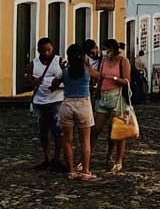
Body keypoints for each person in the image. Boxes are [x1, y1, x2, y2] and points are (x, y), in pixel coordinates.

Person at [60, 44, 100, 181]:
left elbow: (54, 85)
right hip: (83, 104)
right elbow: (100, 76)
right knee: (85, 141)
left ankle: (71, 171)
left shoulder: (65, 71)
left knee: (67, 141)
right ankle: (86, 171)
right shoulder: (87, 70)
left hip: (67, 104)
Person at [26, 37, 66, 171]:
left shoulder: (59, 61)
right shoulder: (33, 64)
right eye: (43, 51)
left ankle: (57, 158)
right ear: (38, 51)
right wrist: (34, 82)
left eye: (49, 50)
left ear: (52, 48)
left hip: (56, 100)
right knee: (43, 132)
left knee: (57, 131)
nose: (47, 53)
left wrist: (58, 85)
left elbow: (67, 77)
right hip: (40, 101)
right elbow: (28, 81)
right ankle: (46, 158)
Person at [96, 39, 133, 172]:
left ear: (113, 49)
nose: (104, 52)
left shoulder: (123, 61)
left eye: (106, 49)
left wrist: (114, 78)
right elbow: (100, 77)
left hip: (117, 98)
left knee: (117, 131)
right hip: (103, 97)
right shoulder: (104, 60)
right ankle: (96, 158)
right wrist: (96, 94)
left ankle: (118, 160)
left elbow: (127, 81)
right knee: (96, 129)